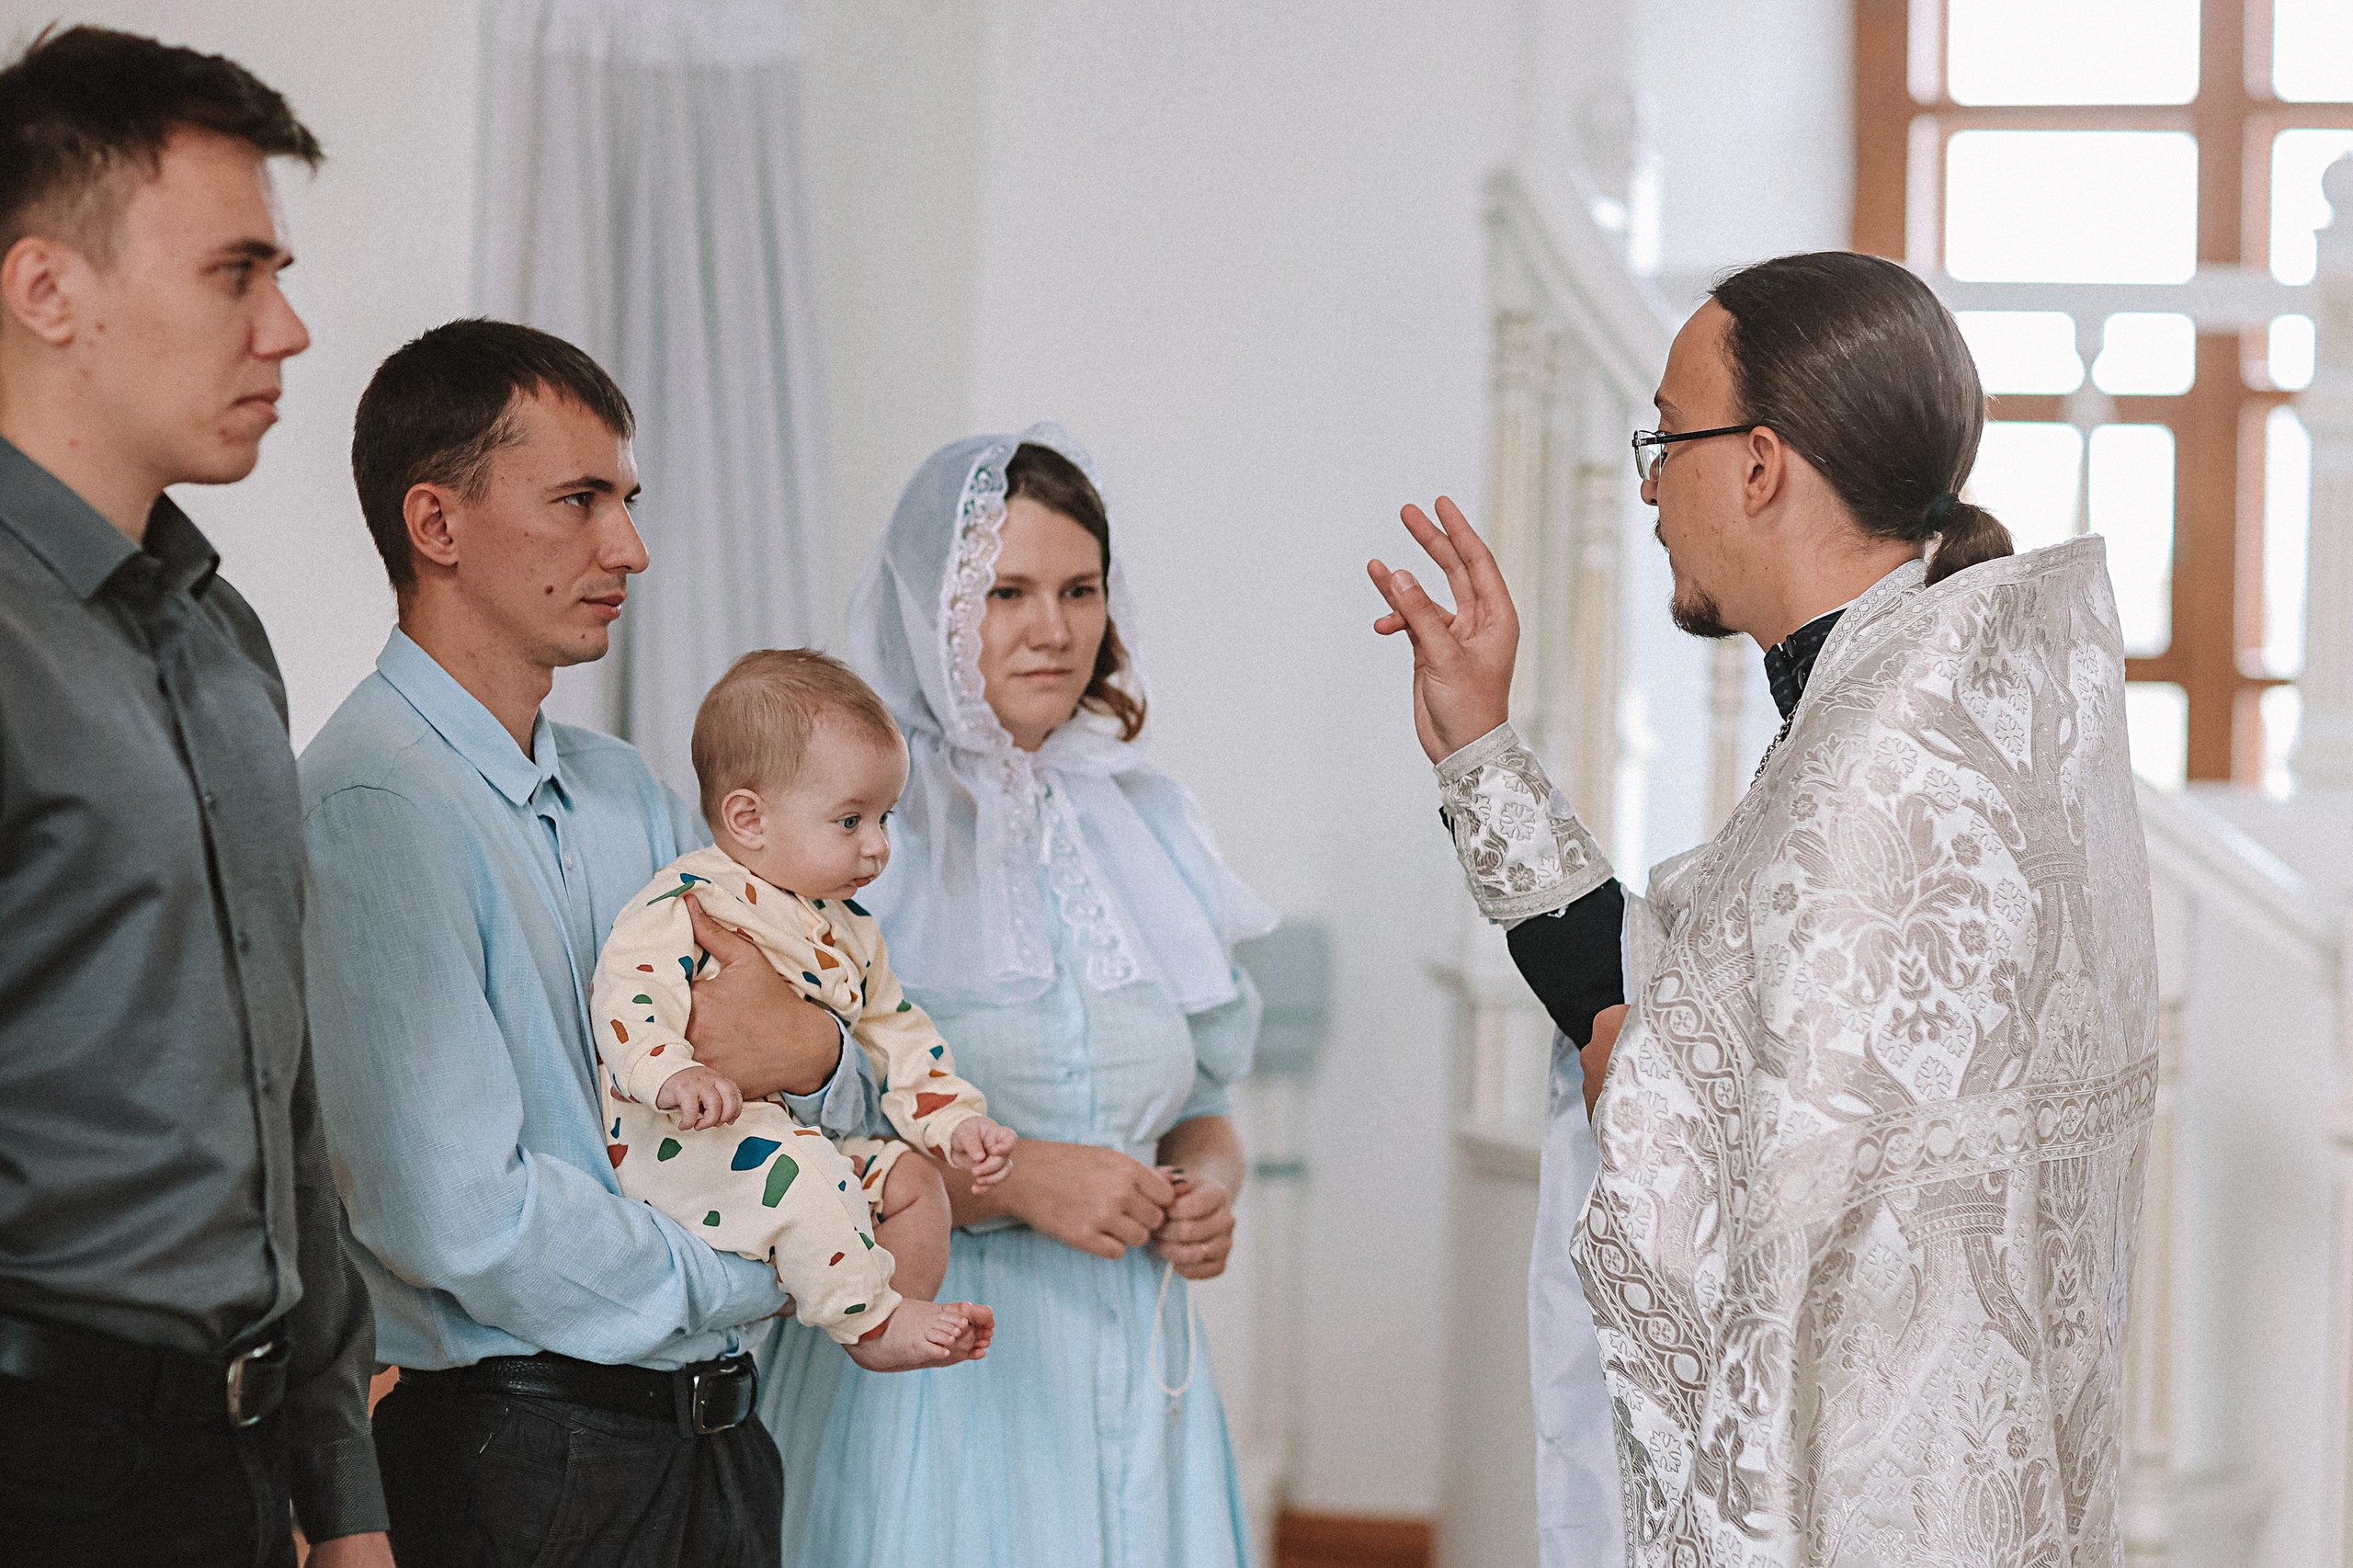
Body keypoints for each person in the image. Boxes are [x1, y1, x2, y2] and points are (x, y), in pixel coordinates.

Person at [1370, 252, 2159, 1567]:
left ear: (1758, 462)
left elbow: (1685, 1108)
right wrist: (1480, 752)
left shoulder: (1887, 763)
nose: (1646, 484)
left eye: (1667, 437)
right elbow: (1689, 995)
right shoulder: (1937, 708)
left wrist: (1640, 1069)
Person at [301, 318, 870, 1568]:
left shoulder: (629, 793)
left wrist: (818, 1047)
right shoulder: (368, 806)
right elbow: (461, 1215)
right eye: (579, 500)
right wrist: (765, 1268)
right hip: (528, 1465)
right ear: (436, 524)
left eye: (628, 497)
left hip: (718, 1442)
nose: (631, 546)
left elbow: (827, 1054)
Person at [0, 27, 392, 1567]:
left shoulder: (223, 642)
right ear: (50, 291)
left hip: (232, 1473)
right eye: (237, 271)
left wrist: (337, 1492)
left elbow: (280, 1114)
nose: (287, 328)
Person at [755, 427, 1279, 1567]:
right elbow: (781, 1146)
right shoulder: (848, 833)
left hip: (1141, 1368)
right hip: (936, 1372)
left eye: (1079, 588)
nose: (1053, 627)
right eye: (1008, 591)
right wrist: (1018, 1178)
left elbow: (1207, 1095)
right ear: (929, 609)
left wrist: (1206, 1187)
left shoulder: (1153, 819)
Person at [592, 647, 1016, 1368]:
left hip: (785, 1138)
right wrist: (669, 1072)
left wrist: (954, 1121)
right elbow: (630, 988)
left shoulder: (852, 929)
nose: (879, 847)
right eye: (851, 821)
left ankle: (890, 1316)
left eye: (884, 817)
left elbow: (897, 1032)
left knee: (912, 1182)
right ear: (749, 819)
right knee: (808, 1174)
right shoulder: (693, 897)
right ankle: (871, 1323)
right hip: (688, 1141)